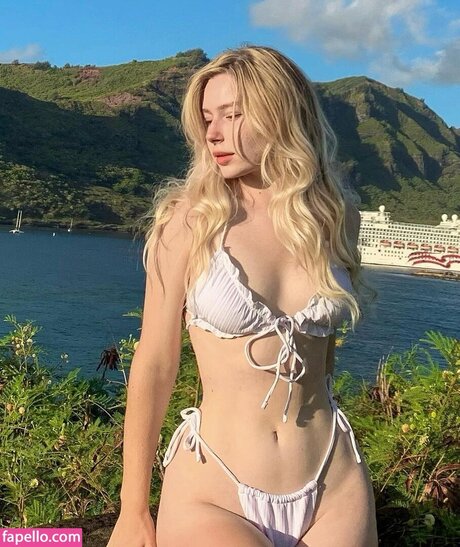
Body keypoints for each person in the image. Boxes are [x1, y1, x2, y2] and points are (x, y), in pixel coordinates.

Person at [107, 45, 378, 547]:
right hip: (215, 488)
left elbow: (323, 360)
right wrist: (133, 509)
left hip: (334, 481)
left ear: (281, 114)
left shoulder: (336, 217)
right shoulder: (188, 222)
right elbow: (155, 363)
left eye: (232, 115)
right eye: (208, 118)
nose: (213, 133)